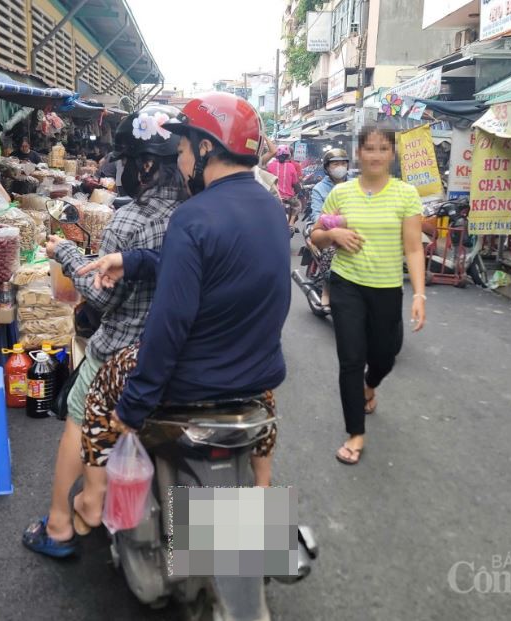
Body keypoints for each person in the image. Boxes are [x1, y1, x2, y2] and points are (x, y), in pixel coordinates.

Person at [69, 92, 290, 529]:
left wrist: (134, 405)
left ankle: (92, 500)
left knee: (100, 388)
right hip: (256, 373)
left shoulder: (195, 216)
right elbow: (221, 266)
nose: (182, 162)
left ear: (206, 148)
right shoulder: (271, 208)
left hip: (194, 377)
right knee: (266, 408)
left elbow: (169, 325)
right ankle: (261, 493)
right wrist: (133, 261)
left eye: (184, 150)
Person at [22, 105, 187, 559]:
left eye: (128, 161)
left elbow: (103, 299)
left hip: (123, 349)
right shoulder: (202, 214)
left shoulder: (130, 220)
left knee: (78, 416)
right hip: (198, 357)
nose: (123, 171)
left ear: (146, 165)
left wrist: (66, 254)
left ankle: (61, 523)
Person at [310, 125, 426, 466]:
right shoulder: (341, 193)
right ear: (358, 152)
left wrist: (419, 295)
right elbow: (316, 235)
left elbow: (414, 248)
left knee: (384, 356)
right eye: (369, 148)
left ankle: (370, 385)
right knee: (350, 359)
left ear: (392, 154)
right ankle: (355, 433)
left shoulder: (406, 194)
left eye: (383, 148)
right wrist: (334, 235)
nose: (375, 155)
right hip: (347, 284)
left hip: (387, 289)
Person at [304, 148, 351, 307]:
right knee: (332, 251)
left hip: (354, 229)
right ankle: (326, 288)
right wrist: (337, 223)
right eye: (335, 164)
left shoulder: (356, 184)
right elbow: (317, 216)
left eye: (343, 163)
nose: (340, 167)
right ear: (326, 167)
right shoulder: (319, 188)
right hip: (327, 230)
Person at [267, 145, 302, 228]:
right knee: (297, 205)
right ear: (288, 155)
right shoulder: (291, 166)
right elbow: (295, 184)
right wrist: (297, 190)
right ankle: (291, 223)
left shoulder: (270, 166)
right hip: (288, 198)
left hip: (272, 197)